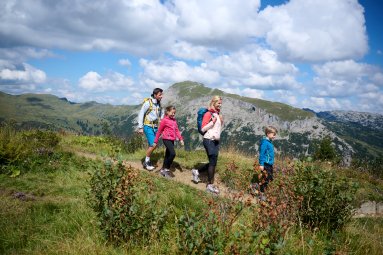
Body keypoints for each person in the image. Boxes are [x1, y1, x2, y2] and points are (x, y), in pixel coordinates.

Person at [192, 96, 223, 194]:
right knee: (213, 162)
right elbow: (203, 129)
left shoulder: (217, 114)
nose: (220, 105)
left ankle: (197, 172)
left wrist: (220, 121)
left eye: (221, 103)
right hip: (209, 140)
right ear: (213, 103)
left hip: (215, 141)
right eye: (218, 103)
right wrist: (212, 122)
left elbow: (216, 129)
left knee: (212, 162)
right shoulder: (208, 114)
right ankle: (210, 186)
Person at [153, 105, 184, 178]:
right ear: (167, 112)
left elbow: (177, 130)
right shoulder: (164, 120)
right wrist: (155, 141)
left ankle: (163, 169)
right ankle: (166, 169)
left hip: (172, 140)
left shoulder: (174, 120)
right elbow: (159, 131)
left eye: (174, 113)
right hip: (166, 139)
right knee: (172, 153)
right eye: (172, 113)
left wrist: (181, 139)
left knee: (167, 155)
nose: (173, 114)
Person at [137, 88, 164, 170]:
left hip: (155, 126)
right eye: (160, 95)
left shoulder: (158, 104)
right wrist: (140, 127)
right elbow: (141, 114)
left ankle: (147, 160)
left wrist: (162, 120)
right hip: (147, 126)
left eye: (162, 94)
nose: (161, 96)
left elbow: (161, 113)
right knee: (153, 144)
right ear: (155, 95)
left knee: (152, 144)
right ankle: (146, 162)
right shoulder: (148, 103)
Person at [251, 126, 277, 201]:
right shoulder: (265, 143)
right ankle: (261, 195)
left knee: (270, 178)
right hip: (265, 164)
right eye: (273, 134)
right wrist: (261, 164)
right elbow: (262, 154)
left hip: (269, 164)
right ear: (268, 133)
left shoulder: (269, 142)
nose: (275, 136)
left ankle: (255, 186)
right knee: (266, 179)